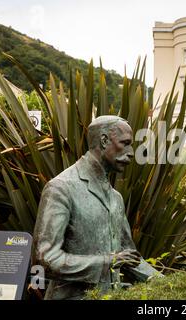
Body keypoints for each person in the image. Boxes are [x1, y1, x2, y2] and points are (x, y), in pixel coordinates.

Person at [33, 115, 160, 300]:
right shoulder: (61, 187)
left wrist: (176, 285)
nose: (131, 152)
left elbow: (130, 259)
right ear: (104, 140)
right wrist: (108, 262)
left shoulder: (115, 198)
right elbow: (44, 260)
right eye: (125, 143)